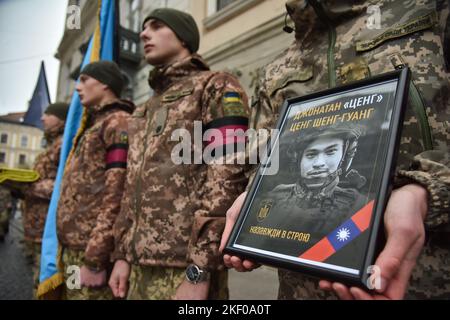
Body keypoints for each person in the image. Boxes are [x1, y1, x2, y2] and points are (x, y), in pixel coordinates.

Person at [220, 0, 449, 300]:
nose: (318, 163)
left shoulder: (430, 11)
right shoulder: (276, 70)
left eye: (329, 153)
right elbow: (264, 155)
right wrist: (255, 200)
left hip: (417, 283)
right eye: (311, 155)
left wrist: (426, 192)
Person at [109, 8, 249, 300]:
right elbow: (129, 186)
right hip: (137, 266)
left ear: (183, 37)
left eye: (157, 26)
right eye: (143, 28)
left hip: (184, 267)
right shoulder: (143, 110)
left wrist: (199, 270)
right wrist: (121, 254)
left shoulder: (216, 85)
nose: (144, 33)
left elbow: (227, 174)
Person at [57, 61, 135, 300]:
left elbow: (117, 193)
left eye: (84, 80)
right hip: (72, 247)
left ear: (104, 84)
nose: (78, 87)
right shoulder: (93, 125)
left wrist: (94, 260)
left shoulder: (118, 122)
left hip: (91, 251)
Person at [20, 102, 69, 295]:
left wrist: (28, 186)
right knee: (39, 281)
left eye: (48, 114)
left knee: (53, 286)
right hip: (38, 227)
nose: (42, 118)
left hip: (52, 230)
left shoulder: (65, 143)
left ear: (61, 118)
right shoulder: (52, 144)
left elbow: (65, 183)